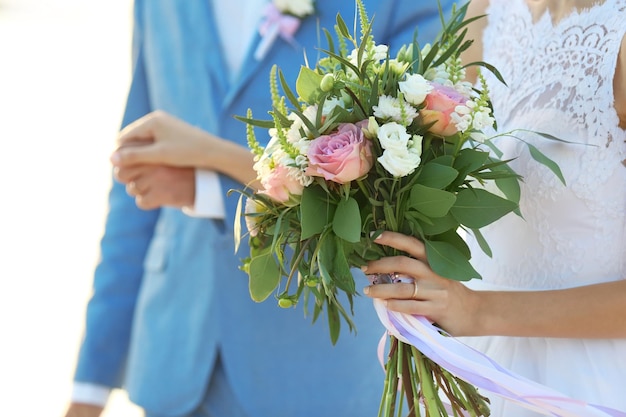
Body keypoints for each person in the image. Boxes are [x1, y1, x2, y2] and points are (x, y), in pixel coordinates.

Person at [64, 1, 455, 417]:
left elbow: (403, 183)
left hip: (317, 374)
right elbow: (135, 184)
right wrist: (91, 383)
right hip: (174, 364)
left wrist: (209, 185)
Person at [363, 0, 626, 415]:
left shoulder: (619, 36)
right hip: (474, 368)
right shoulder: (484, 12)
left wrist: (477, 310)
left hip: (583, 383)